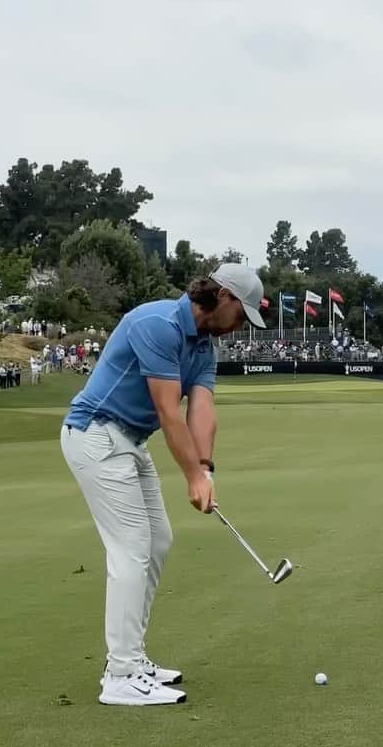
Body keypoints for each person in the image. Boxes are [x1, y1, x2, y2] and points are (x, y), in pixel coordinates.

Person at [61, 264, 266, 707]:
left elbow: (202, 410)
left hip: (130, 442)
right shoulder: (157, 323)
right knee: (132, 547)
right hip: (95, 434)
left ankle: (132, 657)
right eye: (242, 314)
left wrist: (206, 468)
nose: (241, 326)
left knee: (158, 543)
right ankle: (120, 675)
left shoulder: (204, 348)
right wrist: (190, 476)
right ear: (223, 296)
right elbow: (169, 410)